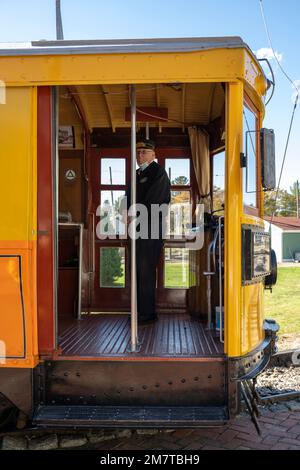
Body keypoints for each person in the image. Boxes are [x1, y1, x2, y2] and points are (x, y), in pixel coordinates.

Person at [127, 138, 171, 325]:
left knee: (145, 271)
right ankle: (139, 311)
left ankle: (147, 313)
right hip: (136, 229)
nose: (140, 155)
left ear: (153, 154)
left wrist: (134, 213)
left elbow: (156, 200)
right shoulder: (137, 174)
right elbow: (129, 197)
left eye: (144, 152)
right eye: (138, 153)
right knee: (136, 270)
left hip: (151, 228)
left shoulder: (158, 173)